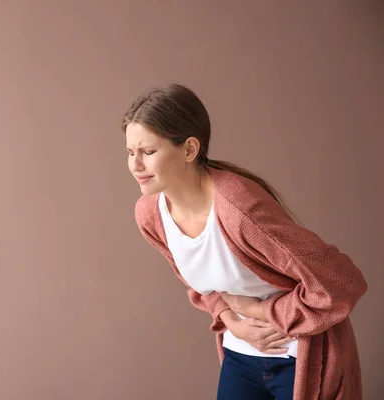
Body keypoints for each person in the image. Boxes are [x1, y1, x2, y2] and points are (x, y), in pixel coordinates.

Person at [122, 83, 367, 400]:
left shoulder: (240, 209)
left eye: (148, 151)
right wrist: (231, 322)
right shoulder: (150, 214)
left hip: (296, 358)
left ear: (189, 149)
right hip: (240, 356)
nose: (135, 165)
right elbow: (203, 286)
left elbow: (342, 282)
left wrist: (263, 311)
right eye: (130, 152)